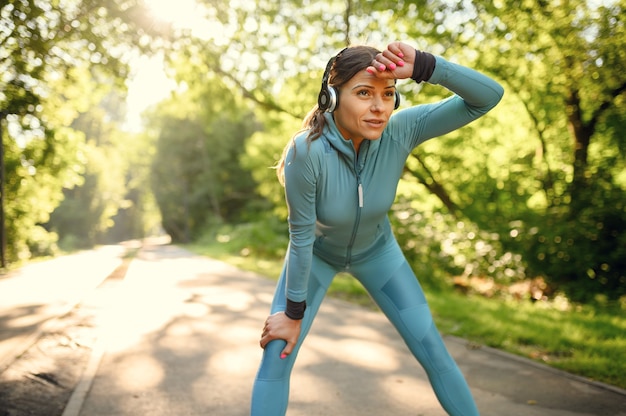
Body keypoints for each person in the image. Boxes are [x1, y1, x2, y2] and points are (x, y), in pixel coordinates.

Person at [252, 41, 504, 415]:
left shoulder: (400, 131)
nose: (379, 107)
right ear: (333, 99)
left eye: (388, 95)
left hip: (379, 254)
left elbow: (487, 97)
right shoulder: (305, 151)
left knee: (433, 348)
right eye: (364, 93)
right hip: (317, 256)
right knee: (278, 352)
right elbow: (302, 236)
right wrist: (292, 314)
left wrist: (425, 66)